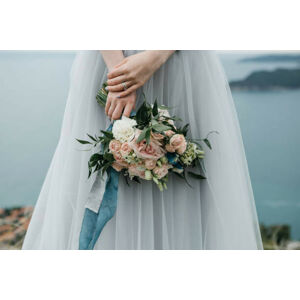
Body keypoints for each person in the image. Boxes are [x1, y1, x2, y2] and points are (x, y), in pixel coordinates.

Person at [22, 50, 263, 250]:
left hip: (179, 62)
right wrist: (119, 76)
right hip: (109, 60)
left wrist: (156, 55)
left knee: (184, 192)